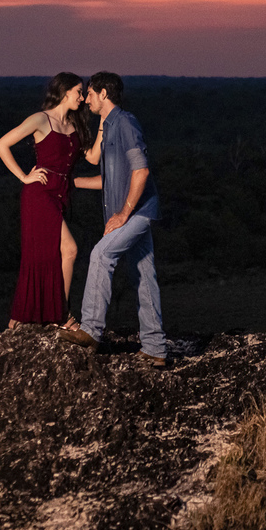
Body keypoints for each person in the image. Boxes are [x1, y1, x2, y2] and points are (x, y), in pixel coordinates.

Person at [58, 72, 167, 368]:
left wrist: (123, 212)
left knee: (101, 254)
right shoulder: (109, 127)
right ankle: (156, 348)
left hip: (138, 212)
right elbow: (106, 179)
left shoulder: (126, 123)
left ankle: (91, 330)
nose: (86, 100)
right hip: (132, 213)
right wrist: (72, 182)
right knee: (144, 276)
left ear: (103, 94)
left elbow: (141, 171)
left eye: (90, 94)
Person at [0, 72, 89, 331]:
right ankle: (61, 315)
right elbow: (1, 145)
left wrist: (106, 121)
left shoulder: (74, 125)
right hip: (39, 193)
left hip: (61, 195)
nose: (81, 98)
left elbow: (91, 157)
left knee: (47, 254)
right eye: (78, 91)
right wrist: (24, 177)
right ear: (65, 91)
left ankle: (27, 317)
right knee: (68, 249)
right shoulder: (40, 119)